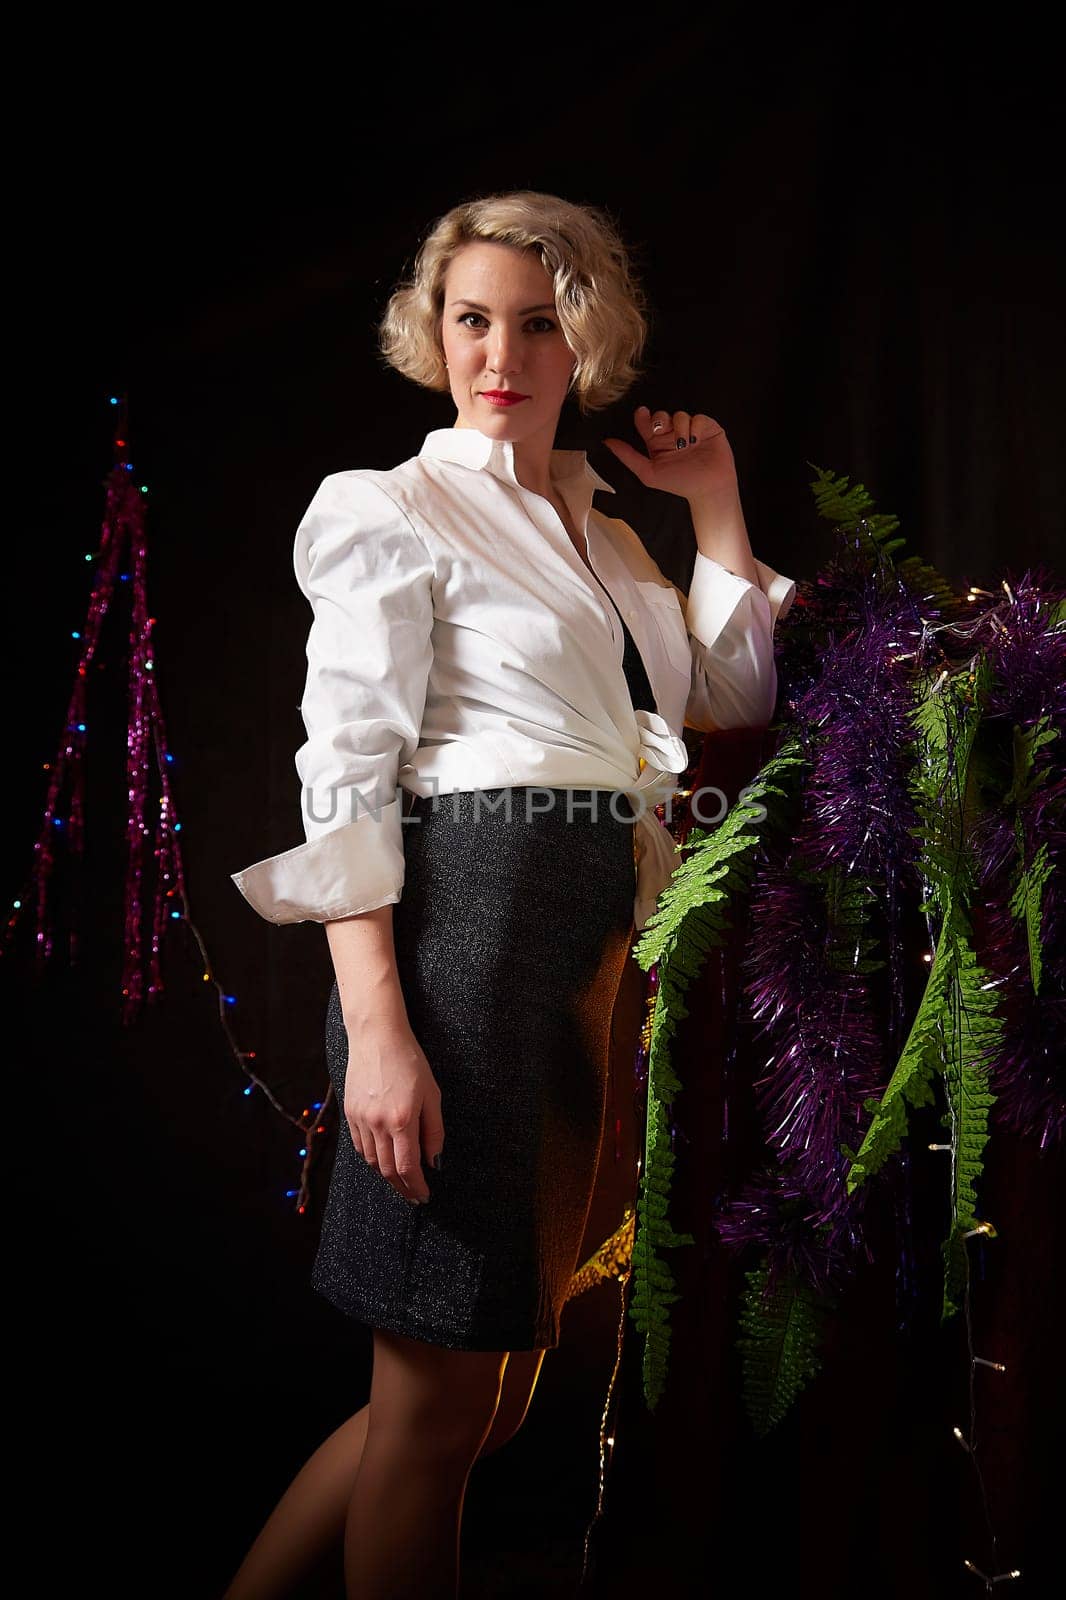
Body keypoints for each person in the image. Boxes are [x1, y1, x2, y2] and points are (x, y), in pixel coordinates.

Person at [223, 189, 794, 1600]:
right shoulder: (386, 508)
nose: (500, 352)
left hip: (583, 962)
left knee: (488, 1404)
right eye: (469, 319)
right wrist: (380, 1033)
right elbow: (346, 769)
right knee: (428, 1408)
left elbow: (727, 697)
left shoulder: (606, 532)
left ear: (587, 340)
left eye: (539, 324)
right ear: (430, 331)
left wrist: (711, 504)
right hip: (462, 945)